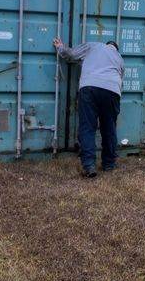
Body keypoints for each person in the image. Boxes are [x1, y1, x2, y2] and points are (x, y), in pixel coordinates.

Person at [53, 37, 124, 178]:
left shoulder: (94, 46)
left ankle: (89, 165)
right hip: (112, 90)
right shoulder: (119, 58)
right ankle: (109, 164)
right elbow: (121, 79)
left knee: (87, 127)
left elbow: (71, 55)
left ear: (107, 44)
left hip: (90, 87)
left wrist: (60, 47)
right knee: (109, 127)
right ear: (115, 48)